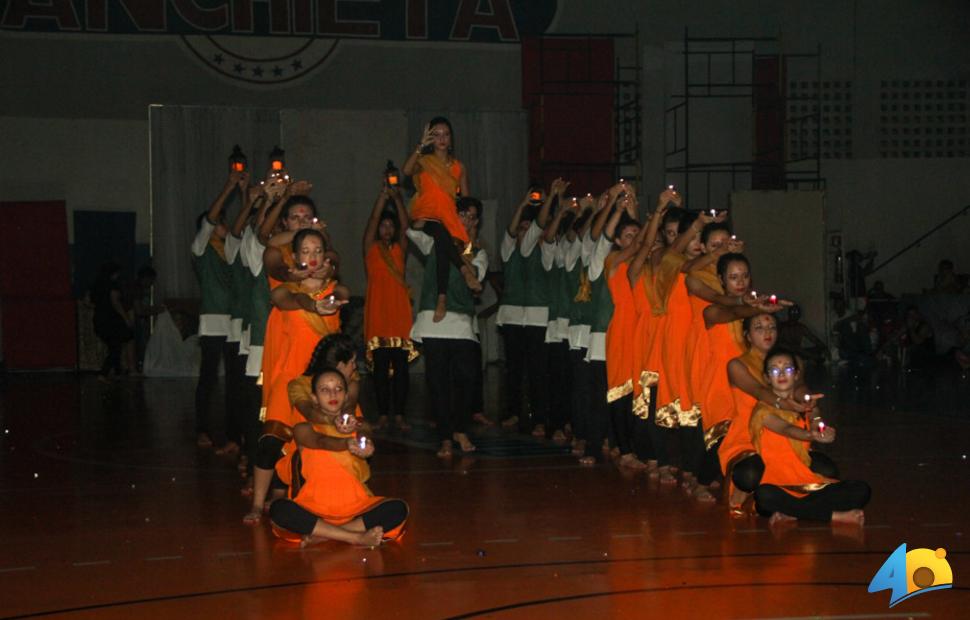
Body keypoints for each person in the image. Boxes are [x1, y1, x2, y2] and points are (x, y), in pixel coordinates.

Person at [244, 230, 347, 524]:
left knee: (316, 446)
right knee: (269, 444)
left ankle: (313, 505)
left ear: (325, 256)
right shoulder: (284, 290)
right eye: (305, 250)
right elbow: (287, 300)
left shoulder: (337, 290)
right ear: (296, 256)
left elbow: (342, 296)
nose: (312, 256)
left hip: (321, 385)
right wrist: (313, 304)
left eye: (317, 250)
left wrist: (327, 297)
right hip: (289, 379)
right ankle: (256, 504)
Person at [269, 368, 408, 547]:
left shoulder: (358, 424)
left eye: (338, 389)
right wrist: (346, 444)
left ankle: (325, 535)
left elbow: (365, 434)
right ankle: (355, 537)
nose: (332, 394)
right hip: (313, 510)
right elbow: (320, 441)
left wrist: (365, 444)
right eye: (325, 390)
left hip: (356, 509)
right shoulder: (303, 428)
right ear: (314, 398)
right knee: (279, 510)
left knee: (398, 509)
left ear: (346, 395)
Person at [751, 348, 870, 524]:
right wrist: (810, 435)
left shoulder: (804, 405)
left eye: (788, 369)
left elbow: (815, 416)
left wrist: (822, 429)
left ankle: (795, 512)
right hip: (777, 485)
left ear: (797, 374)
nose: (782, 374)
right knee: (764, 497)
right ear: (767, 377)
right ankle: (834, 516)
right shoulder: (762, 410)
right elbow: (786, 429)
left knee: (861, 490)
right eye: (775, 370)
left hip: (806, 480)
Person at [408, 197, 488, 457]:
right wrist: (436, 210)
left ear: (476, 222)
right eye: (461, 214)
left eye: (471, 216)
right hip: (433, 320)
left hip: (461, 322)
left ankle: (460, 429)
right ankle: (445, 437)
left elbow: (473, 278)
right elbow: (414, 227)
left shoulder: (478, 252)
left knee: (465, 380)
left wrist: (464, 245)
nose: (465, 219)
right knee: (438, 382)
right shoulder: (434, 241)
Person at [402, 117, 481, 322]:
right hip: (424, 216)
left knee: (443, 241)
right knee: (438, 229)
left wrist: (470, 226)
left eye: (445, 134)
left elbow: (466, 201)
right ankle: (464, 272)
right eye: (436, 135)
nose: (441, 139)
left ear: (451, 139)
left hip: (448, 218)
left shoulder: (459, 167)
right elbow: (406, 171)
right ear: (430, 139)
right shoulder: (423, 162)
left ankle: (442, 298)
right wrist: (421, 145)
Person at [496, 183, 559, 436]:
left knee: (537, 371)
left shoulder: (545, 252)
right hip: (512, 316)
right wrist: (523, 205)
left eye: (528, 229)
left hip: (537, 318)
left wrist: (549, 202)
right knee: (514, 369)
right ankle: (513, 412)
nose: (524, 232)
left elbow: (540, 231)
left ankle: (540, 418)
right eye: (522, 229)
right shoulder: (509, 251)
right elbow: (510, 232)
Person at [191, 170, 246, 448]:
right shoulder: (201, 248)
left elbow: (242, 227)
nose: (222, 226)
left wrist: (248, 194)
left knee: (235, 382)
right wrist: (229, 186)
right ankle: (202, 429)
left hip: (235, 323)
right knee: (209, 378)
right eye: (218, 223)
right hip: (213, 322)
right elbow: (210, 220)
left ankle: (234, 436)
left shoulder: (231, 250)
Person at [362, 183, 416, 430]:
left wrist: (397, 201)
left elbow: (408, 228)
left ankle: (401, 415)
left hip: (399, 314)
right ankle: (383, 413)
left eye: (390, 225)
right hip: (378, 314)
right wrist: (382, 197)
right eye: (383, 225)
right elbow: (372, 220)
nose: (386, 229)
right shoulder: (371, 250)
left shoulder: (399, 250)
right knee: (380, 370)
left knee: (402, 369)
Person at [90, 261, 133, 382]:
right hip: (111, 320)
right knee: (116, 347)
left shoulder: (96, 285)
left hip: (99, 318)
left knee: (114, 346)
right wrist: (126, 318)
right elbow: (116, 303)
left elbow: (87, 301)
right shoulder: (112, 285)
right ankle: (104, 373)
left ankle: (117, 372)